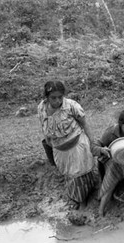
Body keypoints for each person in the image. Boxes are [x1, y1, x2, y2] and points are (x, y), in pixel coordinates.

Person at [37, 80, 96, 210]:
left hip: (77, 146)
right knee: (69, 176)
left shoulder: (71, 106)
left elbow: (84, 124)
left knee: (80, 175)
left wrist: (92, 143)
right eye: (53, 98)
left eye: (60, 97)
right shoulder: (42, 107)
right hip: (59, 149)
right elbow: (43, 124)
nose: (57, 101)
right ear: (46, 97)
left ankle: (82, 202)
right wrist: (48, 141)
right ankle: (75, 198)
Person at [91, 108, 124, 217]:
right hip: (112, 160)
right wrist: (102, 150)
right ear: (120, 125)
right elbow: (94, 146)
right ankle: (101, 209)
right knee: (114, 170)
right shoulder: (111, 133)